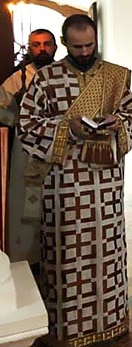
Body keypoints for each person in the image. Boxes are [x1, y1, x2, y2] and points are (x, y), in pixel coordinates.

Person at [17, 14, 132, 346]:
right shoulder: (46, 79)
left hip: (106, 186)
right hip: (65, 186)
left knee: (108, 252)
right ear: (64, 43)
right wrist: (67, 128)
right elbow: (27, 125)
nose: (85, 52)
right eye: (77, 47)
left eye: (90, 45)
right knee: (67, 253)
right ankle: (67, 329)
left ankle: (112, 320)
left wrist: (118, 123)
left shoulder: (115, 76)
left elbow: (131, 115)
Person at [0, 29, 57, 265]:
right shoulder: (19, 79)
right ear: (29, 48)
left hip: (57, 148)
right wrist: (19, 120)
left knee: (58, 202)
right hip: (27, 153)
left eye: (47, 44)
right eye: (36, 44)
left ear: (55, 46)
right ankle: (30, 260)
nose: (42, 49)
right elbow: (1, 108)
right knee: (28, 205)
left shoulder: (62, 74)